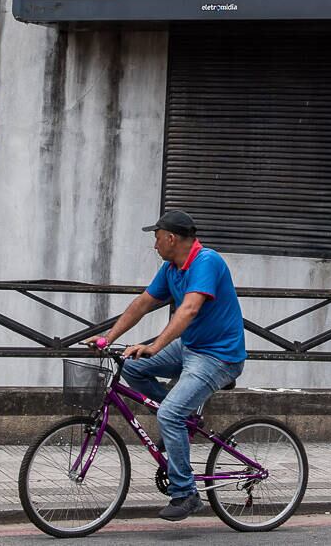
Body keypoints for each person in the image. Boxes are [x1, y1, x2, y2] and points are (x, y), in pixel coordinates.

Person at [88, 210, 246, 522]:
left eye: (156, 238)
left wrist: (154, 346)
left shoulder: (206, 262)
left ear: (171, 238)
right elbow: (143, 303)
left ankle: (186, 493)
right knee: (133, 368)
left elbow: (188, 309)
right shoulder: (170, 267)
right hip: (189, 348)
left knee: (169, 413)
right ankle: (180, 421)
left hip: (219, 357)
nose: (155, 244)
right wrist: (108, 338)